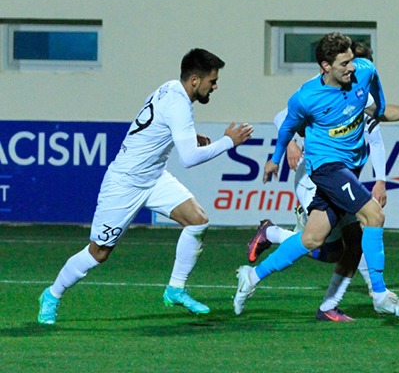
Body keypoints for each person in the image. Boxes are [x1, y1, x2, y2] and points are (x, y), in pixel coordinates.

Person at [233, 32, 399, 317]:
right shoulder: (307, 97)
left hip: (349, 168)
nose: (352, 67)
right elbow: (286, 127)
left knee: (313, 239)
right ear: (326, 66)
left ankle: (252, 276)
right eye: (345, 63)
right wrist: (276, 159)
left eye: (352, 60)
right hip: (326, 167)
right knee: (374, 216)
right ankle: (380, 295)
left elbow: (379, 111)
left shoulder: (364, 72)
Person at [37, 48, 254, 324]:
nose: (215, 86)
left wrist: (186, 134)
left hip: (154, 177)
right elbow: (188, 159)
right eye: (213, 81)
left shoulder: (171, 88)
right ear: (195, 80)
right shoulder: (179, 104)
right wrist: (229, 142)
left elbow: (154, 122)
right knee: (99, 253)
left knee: (197, 220)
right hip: (125, 183)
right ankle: (52, 295)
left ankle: (175, 289)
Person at [247, 104, 386, 321]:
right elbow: (281, 116)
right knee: (326, 247)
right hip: (313, 179)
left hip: (340, 178)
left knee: (353, 239)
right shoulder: (323, 93)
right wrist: (291, 143)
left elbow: (376, 138)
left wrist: (381, 180)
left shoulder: (361, 97)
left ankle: (334, 305)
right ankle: (272, 235)